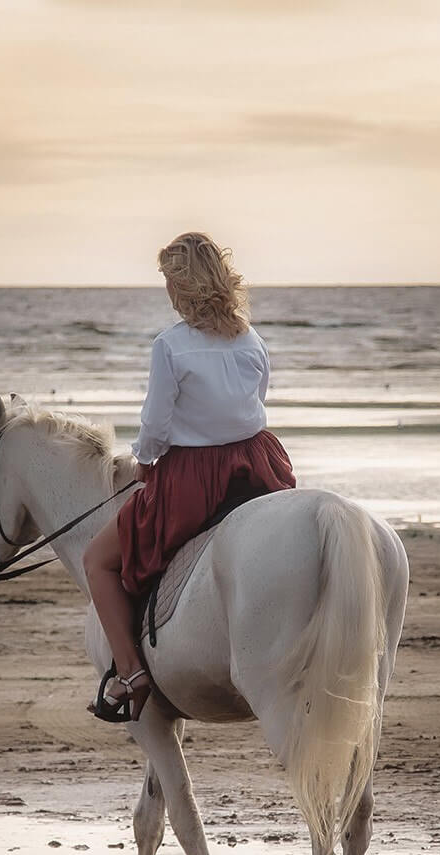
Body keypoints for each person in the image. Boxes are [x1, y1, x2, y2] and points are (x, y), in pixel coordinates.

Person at [82, 232, 297, 722]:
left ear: (183, 286)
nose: (167, 292)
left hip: (194, 477)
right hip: (258, 463)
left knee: (98, 559)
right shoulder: (250, 337)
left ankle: (130, 674)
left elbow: (156, 423)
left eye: (168, 282)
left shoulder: (170, 346)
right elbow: (256, 398)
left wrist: (145, 459)